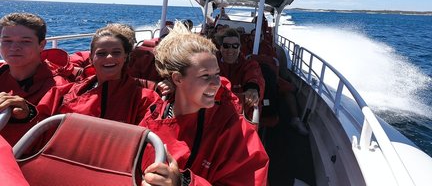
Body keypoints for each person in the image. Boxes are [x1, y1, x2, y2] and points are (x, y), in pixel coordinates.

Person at [139, 22, 268, 185]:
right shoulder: (153, 118)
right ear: (178, 79)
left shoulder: (233, 128)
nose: (216, 83)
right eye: (205, 76)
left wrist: (183, 182)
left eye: (217, 74)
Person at [36, 25, 160, 125]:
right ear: (91, 58)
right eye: (101, 53)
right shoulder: (63, 94)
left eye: (116, 52)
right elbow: (38, 129)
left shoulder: (145, 99)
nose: (109, 57)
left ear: (125, 56)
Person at [0, 13, 72, 145]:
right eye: (7, 40)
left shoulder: (59, 88)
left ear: (42, 45)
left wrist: (28, 115)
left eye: (25, 41)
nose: (14, 47)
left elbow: (51, 141)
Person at [217, 28, 265, 113]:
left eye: (235, 46)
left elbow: (254, 77)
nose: (230, 50)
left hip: (240, 114)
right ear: (220, 47)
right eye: (226, 46)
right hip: (214, 111)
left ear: (239, 48)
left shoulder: (249, 65)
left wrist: (252, 89)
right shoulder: (212, 64)